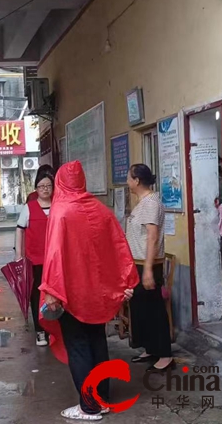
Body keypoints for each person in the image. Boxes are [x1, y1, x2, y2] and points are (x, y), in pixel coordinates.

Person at [39, 161, 139, 421]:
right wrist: (124, 283)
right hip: (98, 292)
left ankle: (88, 407)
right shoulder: (100, 210)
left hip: (72, 292)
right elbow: (117, 247)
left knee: (78, 346)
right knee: (97, 342)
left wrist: (51, 290)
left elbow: (54, 255)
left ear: (60, 182)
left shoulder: (61, 212)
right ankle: (101, 400)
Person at [126, 164, 174, 373]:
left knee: (154, 309)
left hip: (148, 265)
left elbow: (152, 237)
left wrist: (146, 270)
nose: (127, 181)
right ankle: (150, 348)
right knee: (140, 309)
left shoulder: (151, 203)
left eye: (129, 178)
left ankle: (164, 354)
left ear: (136, 180)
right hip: (137, 263)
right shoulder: (143, 202)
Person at [15, 169, 54, 346]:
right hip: (35, 261)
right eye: (41, 186)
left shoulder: (58, 206)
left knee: (56, 295)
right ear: (36, 189)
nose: (45, 189)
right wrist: (19, 256)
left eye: (48, 185)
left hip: (55, 261)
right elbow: (19, 230)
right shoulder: (29, 208)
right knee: (36, 296)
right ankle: (40, 331)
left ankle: (54, 330)